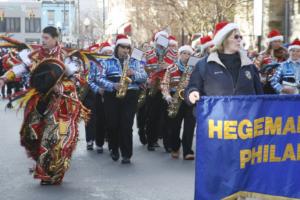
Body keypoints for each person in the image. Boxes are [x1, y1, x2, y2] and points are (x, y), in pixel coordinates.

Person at [0, 26, 89, 185]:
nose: (43, 41)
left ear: (56, 38)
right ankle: (42, 163)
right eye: (43, 38)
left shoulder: (66, 56)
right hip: (38, 101)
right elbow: (20, 68)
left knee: (52, 139)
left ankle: (50, 173)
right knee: (31, 135)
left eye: (46, 38)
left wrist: (60, 87)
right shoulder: (36, 54)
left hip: (59, 103)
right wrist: (4, 78)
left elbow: (77, 79)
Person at [185, 21, 263, 105]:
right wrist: (192, 93)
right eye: (236, 37)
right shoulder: (203, 65)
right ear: (223, 39)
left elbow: (260, 96)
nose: (240, 39)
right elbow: (192, 87)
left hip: (245, 117)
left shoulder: (249, 66)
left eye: (240, 37)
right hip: (215, 117)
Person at [99, 34, 147, 164]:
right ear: (117, 47)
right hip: (112, 95)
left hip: (130, 94)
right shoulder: (107, 61)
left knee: (126, 124)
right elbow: (100, 79)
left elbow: (144, 76)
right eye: (123, 47)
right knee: (112, 124)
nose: (126, 50)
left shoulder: (135, 61)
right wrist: (112, 85)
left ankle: (126, 154)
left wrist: (134, 73)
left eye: (128, 48)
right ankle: (114, 148)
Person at [144, 31, 178, 151]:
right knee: (153, 116)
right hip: (153, 85)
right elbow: (144, 67)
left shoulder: (173, 53)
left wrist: (167, 66)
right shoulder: (149, 52)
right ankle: (151, 141)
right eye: (160, 39)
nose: (162, 43)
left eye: (164, 39)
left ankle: (167, 144)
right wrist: (156, 69)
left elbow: (176, 67)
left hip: (167, 87)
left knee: (167, 117)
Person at [161, 45, 196, 160]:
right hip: (175, 98)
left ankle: (187, 151)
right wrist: (166, 96)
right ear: (179, 54)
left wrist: (190, 85)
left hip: (189, 98)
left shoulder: (194, 69)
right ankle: (175, 147)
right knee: (174, 127)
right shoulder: (171, 68)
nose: (186, 56)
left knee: (189, 126)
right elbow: (165, 83)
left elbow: (199, 83)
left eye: (188, 54)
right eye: (184, 53)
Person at [84, 42, 113, 152]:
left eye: (110, 53)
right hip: (95, 95)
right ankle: (95, 142)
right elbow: (90, 80)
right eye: (105, 53)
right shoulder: (95, 64)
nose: (107, 55)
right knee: (96, 119)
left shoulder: (114, 64)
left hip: (111, 94)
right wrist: (98, 89)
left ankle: (112, 145)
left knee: (111, 120)